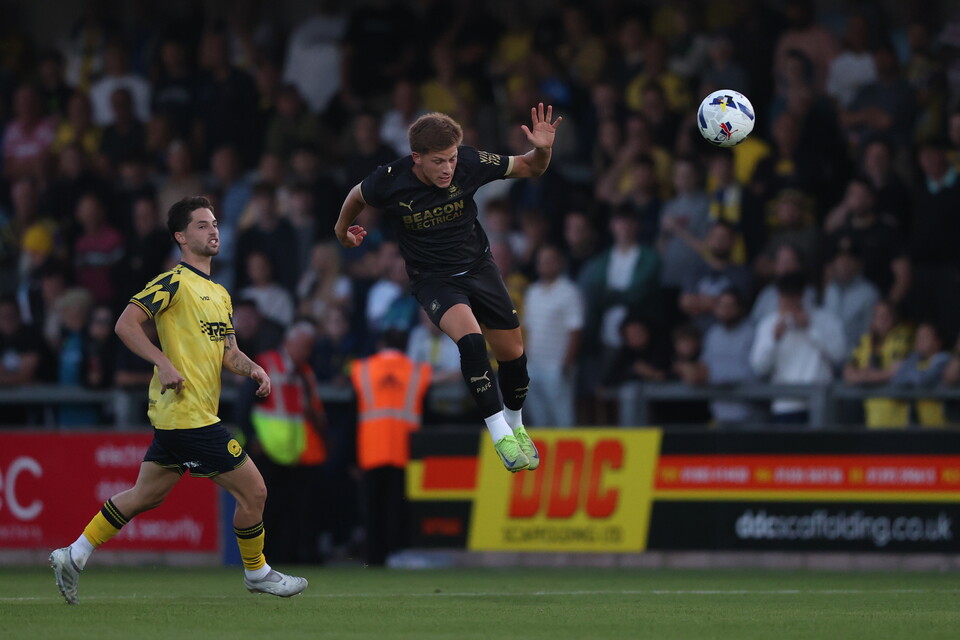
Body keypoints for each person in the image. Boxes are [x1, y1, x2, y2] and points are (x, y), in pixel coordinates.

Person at [50, 196, 307, 605]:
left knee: (144, 495)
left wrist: (254, 368)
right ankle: (257, 572)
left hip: (181, 416)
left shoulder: (220, 293)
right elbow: (125, 324)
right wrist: (163, 363)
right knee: (254, 492)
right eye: (202, 225)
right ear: (181, 237)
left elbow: (228, 352)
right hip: (189, 416)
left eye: (215, 223)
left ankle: (74, 554)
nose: (213, 230)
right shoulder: (173, 281)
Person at [335, 105, 562, 473]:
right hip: (433, 279)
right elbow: (356, 196)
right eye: (438, 161)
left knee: (514, 356)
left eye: (452, 159)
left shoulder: (471, 162)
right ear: (417, 158)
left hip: (480, 268)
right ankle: (499, 433)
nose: (448, 168)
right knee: (471, 341)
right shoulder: (390, 179)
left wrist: (544, 149)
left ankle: (515, 424)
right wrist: (341, 230)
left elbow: (531, 166)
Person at [350, 329, 430, 566]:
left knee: (373, 508)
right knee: (398, 506)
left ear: (380, 343)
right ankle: (398, 552)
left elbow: (352, 408)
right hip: (404, 449)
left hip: (371, 449)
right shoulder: (417, 370)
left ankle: (375, 557)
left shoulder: (361, 369)